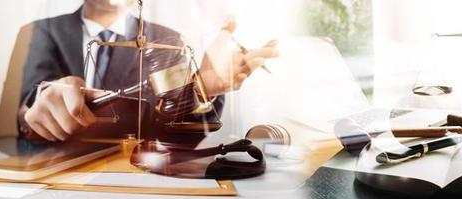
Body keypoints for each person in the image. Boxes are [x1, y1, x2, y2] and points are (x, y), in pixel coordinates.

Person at [17, 0, 278, 142]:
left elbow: (176, 132)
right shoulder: (43, 30)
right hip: (52, 172)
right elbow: (26, 99)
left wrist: (201, 86)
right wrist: (37, 103)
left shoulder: (165, 39)